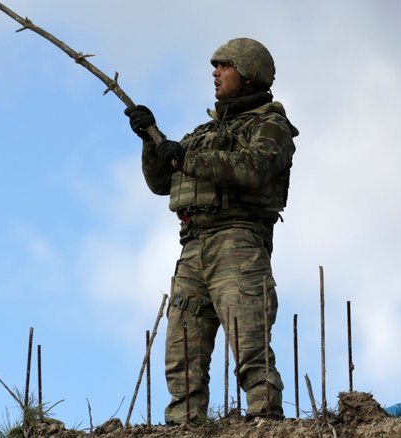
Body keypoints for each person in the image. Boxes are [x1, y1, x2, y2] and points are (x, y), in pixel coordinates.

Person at [125, 37, 297, 424]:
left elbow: (252, 169)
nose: (215, 73)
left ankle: (264, 420)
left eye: (225, 65)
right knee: (182, 347)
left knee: (248, 339)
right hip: (193, 244)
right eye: (215, 65)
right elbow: (161, 183)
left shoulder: (271, 126)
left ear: (249, 75)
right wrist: (151, 142)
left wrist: (186, 156)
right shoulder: (203, 132)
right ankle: (184, 424)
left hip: (238, 241)